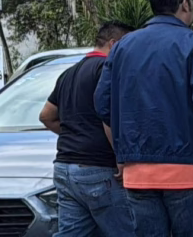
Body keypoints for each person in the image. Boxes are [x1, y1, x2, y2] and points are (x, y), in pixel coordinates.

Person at [96, 0, 193, 237]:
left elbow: (102, 104)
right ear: (185, 4)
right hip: (188, 171)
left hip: (138, 173)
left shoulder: (122, 47)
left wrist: (126, 144)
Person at [39, 21, 136, 237]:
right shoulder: (106, 70)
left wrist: (75, 135)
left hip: (64, 167)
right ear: (114, 44)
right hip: (99, 170)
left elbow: (46, 116)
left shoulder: (69, 73)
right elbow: (108, 116)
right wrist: (121, 158)